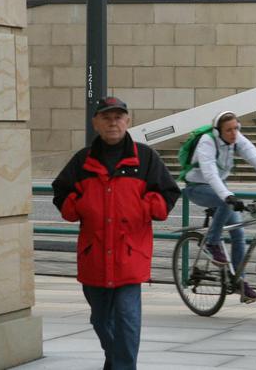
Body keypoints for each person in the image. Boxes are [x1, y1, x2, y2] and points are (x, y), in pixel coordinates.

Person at [52, 96, 180, 370]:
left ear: (128, 121)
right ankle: (116, 359)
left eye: (118, 116)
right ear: (96, 123)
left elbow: (167, 193)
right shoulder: (82, 160)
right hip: (94, 256)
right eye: (107, 117)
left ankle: (123, 366)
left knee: (127, 317)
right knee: (100, 319)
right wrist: (79, 204)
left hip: (130, 254)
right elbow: (61, 193)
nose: (113, 122)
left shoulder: (145, 158)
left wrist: (144, 206)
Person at [183, 110, 256, 303]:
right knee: (224, 202)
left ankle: (239, 282)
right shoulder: (207, 141)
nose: (233, 133)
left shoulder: (237, 139)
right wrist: (228, 197)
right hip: (197, 186)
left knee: (238, 234)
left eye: (236, 128)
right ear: (218, 131)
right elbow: (210, 173)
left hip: (220, 188)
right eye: (228, 130)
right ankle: (212, 243)